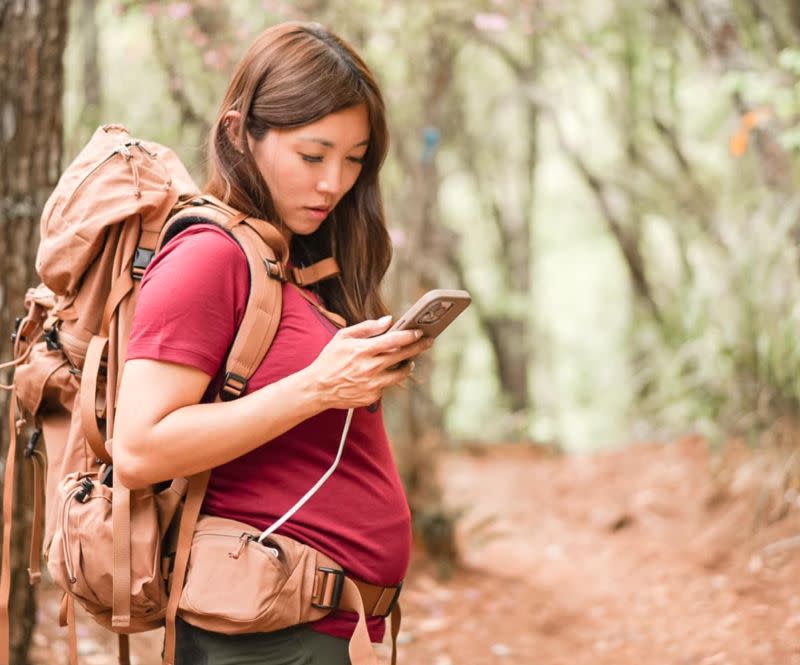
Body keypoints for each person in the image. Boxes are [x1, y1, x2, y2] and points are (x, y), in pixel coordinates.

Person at [112, 21, 430, 665]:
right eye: (313, 156)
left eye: (355, 158)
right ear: (239, 133)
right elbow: (139, 449)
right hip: (259, 635)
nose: (334, 183)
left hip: (321, 630)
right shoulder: (209, 257)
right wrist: (317, 387)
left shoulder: (292, 262)